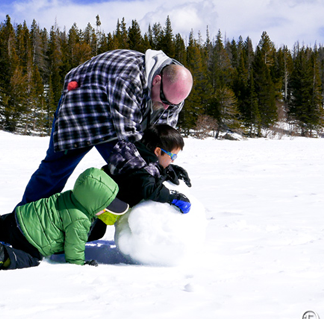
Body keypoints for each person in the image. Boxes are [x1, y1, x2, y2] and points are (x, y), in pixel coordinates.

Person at [19, 49, 193, 207]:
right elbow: (129, 138)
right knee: (55, 170)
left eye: (172, 104)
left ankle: (133, 227)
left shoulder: (173, 93)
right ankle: (23, 220)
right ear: (156, 80)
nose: (165, 107)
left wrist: (163, 164)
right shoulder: (128, 78)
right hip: (80, 112)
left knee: (135, 174)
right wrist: (152, 175)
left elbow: (162, 137)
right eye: (164, 101)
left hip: (115, 119)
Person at [0, 167, 128, 270]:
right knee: (31, 259)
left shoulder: (71, 196)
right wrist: (81, 265)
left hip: (20, 217)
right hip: (33, 241)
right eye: (104, 208)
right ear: (93, 206)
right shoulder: (79, 220)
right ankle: (4, 256)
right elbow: (74, 248)